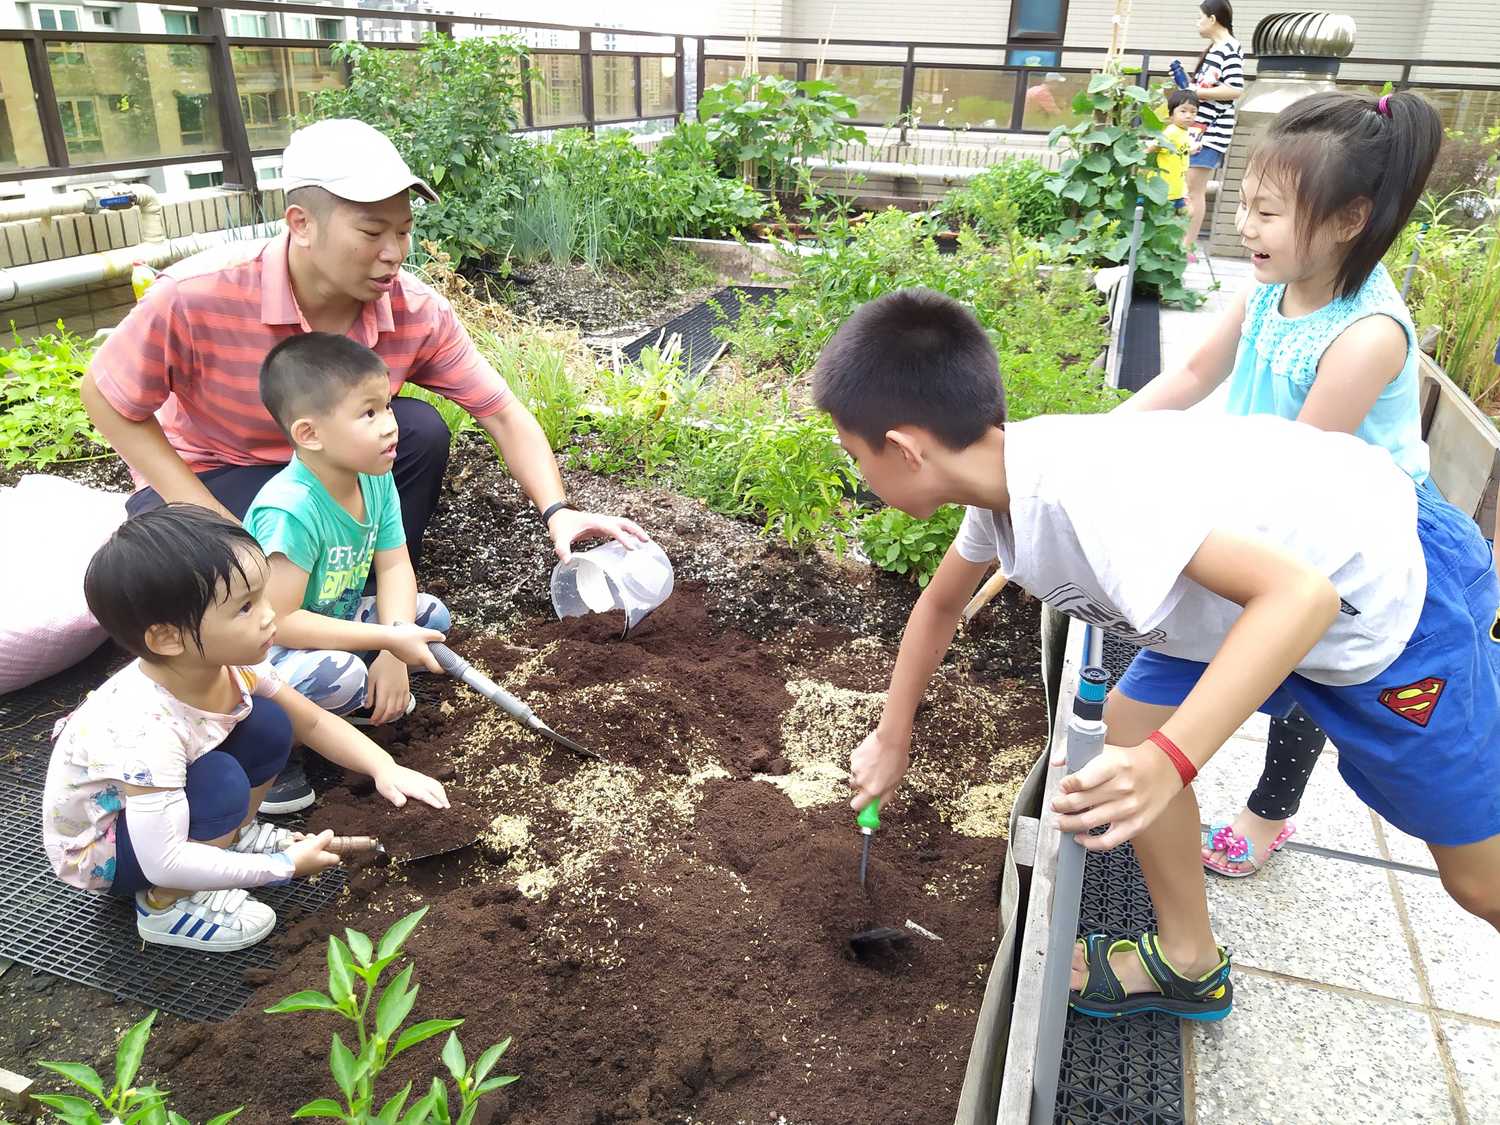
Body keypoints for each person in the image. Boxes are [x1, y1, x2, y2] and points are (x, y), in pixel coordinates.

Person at [819, 287, 1500, 1022]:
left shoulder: (1089, 497)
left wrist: (1169, 761)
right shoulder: (1004, 482)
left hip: (1382, 586)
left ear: (907, 449)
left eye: (856, 455)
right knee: (1129, 725)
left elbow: (1303, 599)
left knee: (1475, 878)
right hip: (1234, 590)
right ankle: (1187, 961)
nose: (858, 472)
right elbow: (940, 606)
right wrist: (894, 734)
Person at [80, 118, 648, 571]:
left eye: (402, 230)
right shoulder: (197, 295)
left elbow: (501, 413)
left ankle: (378, 590)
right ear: (301, 223)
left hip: (334, 470)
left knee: (420, 430)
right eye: (372, 232)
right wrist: (207, 520)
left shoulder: (414, 309)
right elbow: (105, 397)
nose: (394, 251)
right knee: (182, 577)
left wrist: (558, 511)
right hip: (223, 472)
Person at [1121, 90, 1444, 876]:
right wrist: (1102, 439)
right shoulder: (1267, 287)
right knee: (1204, 671)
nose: (1245, 227)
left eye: (1269, 213)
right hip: (1273, 491)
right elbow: (1197, 371)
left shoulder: (1366, 335)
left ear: (1347, 219)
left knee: (1311, 668)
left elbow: (1301, 472)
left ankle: (1270, 809)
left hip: (1355, 532)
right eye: (1249, 207)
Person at [41, 505, 450, 952]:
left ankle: (228, 837)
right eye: (244, 607)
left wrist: (384, 767)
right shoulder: (144, 731)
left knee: (271, 721)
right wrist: (283, 865)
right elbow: (164, 859)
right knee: (221, 784)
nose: (270, 616)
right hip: (113, 852)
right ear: (167, 638)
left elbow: (310, 720)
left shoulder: (230, 666)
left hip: (165, 810)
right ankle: (164, 908)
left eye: (263, 596)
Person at [240, 333, 451, 812]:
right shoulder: (291, 510)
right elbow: (279, 623)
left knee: (430, 620)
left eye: (388, 407)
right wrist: (385, 644)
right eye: (368, 413)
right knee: (343, 674)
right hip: (266, 653)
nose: (389, 427)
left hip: (330, 623)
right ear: (309, 434)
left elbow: (395, 563)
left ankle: (352, 706)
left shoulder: (374, 478)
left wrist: (395, 652)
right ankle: (274, 753)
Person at [1183, 0, 1243, 253]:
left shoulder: (1229, 48)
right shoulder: (1217, 48)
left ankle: (1185, 247)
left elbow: (1235, 89)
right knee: (1189, 188)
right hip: (1198, 128)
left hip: (1210, 130)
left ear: (1212, 18)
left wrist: (1197, 91)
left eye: (1200, 17)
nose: (1197, 23)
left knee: (1194, 190)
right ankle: (1183, 245)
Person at [1149, 89, 1202, 215]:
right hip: (1165, 190)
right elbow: (1154, 146)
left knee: (1185, 216)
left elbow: (1178, 151)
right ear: (1171, 114)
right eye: (1183, 111)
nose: (1188, 115)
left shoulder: (1183, 132)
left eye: (1193, 112)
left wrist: (1191, 150)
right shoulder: (1171, 132)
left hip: (1177, 189)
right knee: (1166, 222)